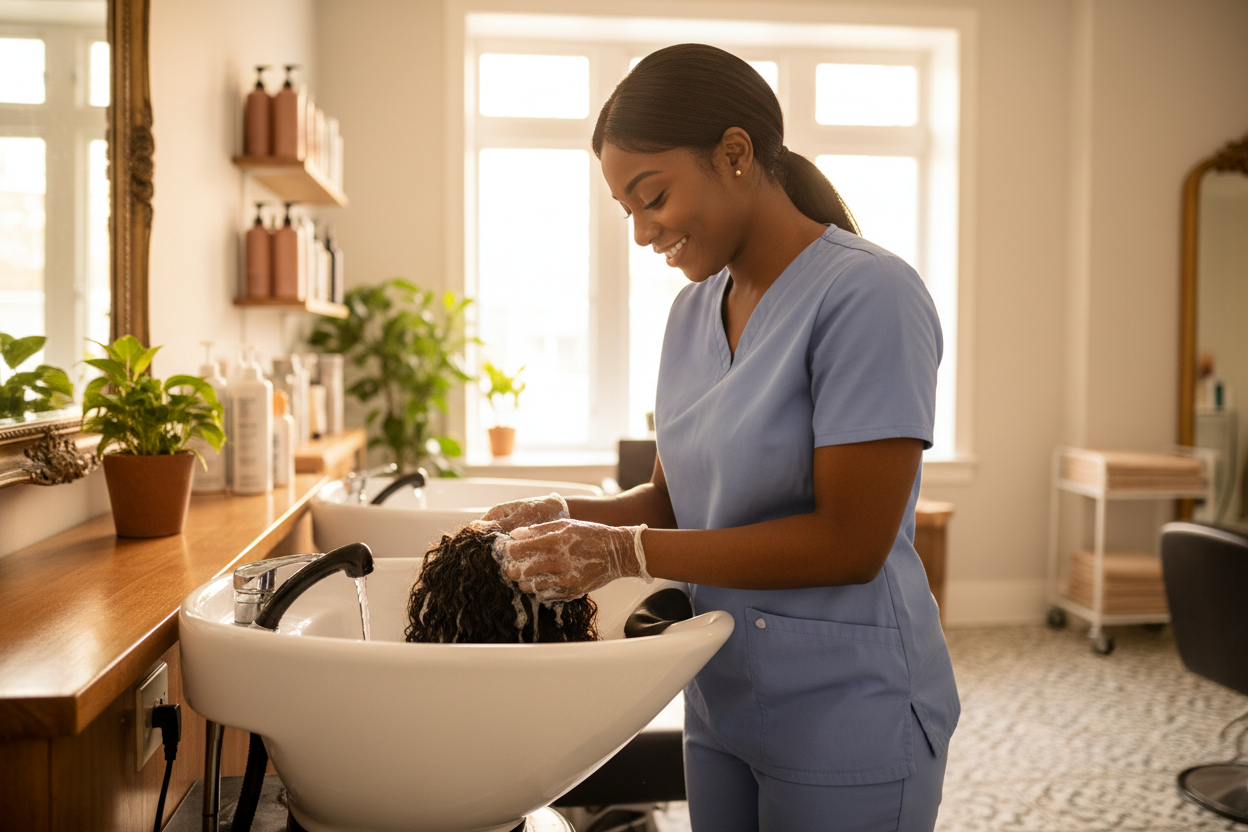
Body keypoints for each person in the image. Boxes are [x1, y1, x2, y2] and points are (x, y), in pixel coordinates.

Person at [485, 43, 958, 832]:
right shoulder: (689, 313)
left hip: (848, 710)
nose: (641, 233)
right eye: (625, 209)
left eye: (652, 196)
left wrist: (623, 554)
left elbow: (851, 542)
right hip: (721, 695)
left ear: (735, 154)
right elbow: (673, 504)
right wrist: (560, 514)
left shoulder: (869, 294)